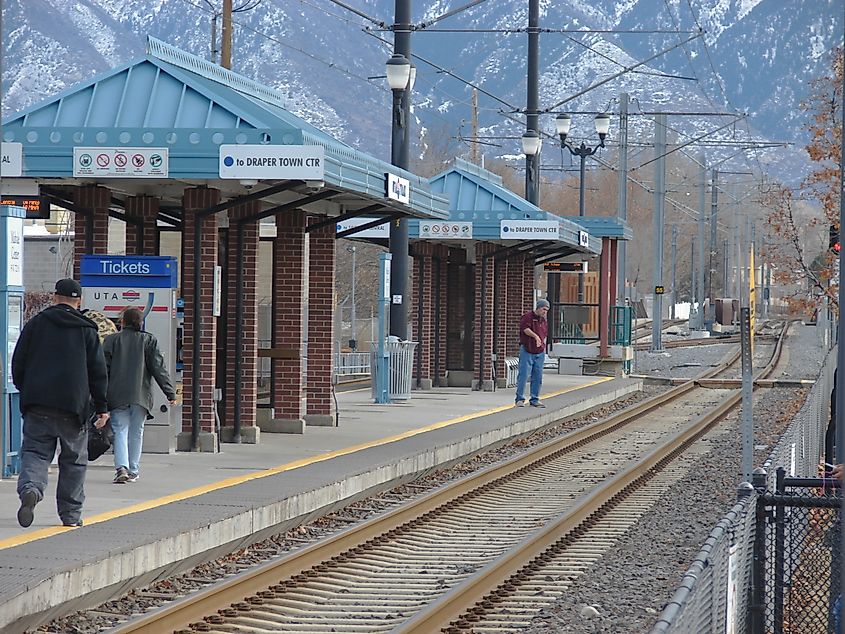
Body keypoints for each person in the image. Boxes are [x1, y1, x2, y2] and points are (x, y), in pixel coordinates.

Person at [11, 278, 109, 528]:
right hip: (73, 407)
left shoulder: (36, 324)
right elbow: (98, 372)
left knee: (35, 452)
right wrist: (102, 407)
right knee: (74, 461)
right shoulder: (87, 330)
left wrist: (28, 391)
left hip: (38, 404)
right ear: (79, 302)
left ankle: (31, 489)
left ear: (54, 298)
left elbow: (18, 362)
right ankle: (71, 515)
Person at [102, 308, 176, 484]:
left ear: (123, 321)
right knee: (137, 432)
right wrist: (170, 392)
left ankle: (122, 467)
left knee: (120, 430)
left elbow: (103, 370)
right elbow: (158, 369)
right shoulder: (148, 340)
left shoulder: (111, 340)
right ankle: (133, 470)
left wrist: (98, 396)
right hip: (141, 394)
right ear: (140, 322)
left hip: (116, 394)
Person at [515, 298, 550, 408]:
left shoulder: (543, 321)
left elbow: (544, 334)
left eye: (547, 310)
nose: (545, 312)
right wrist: (535, 336)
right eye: (544, 309)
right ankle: (519, 398)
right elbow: (525, 329)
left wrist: (542, 343)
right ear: (538, 308)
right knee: (524, 374)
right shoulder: (527, 317)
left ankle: (534, 399)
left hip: (539, 352)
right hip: (527, 349)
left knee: (538, 376)